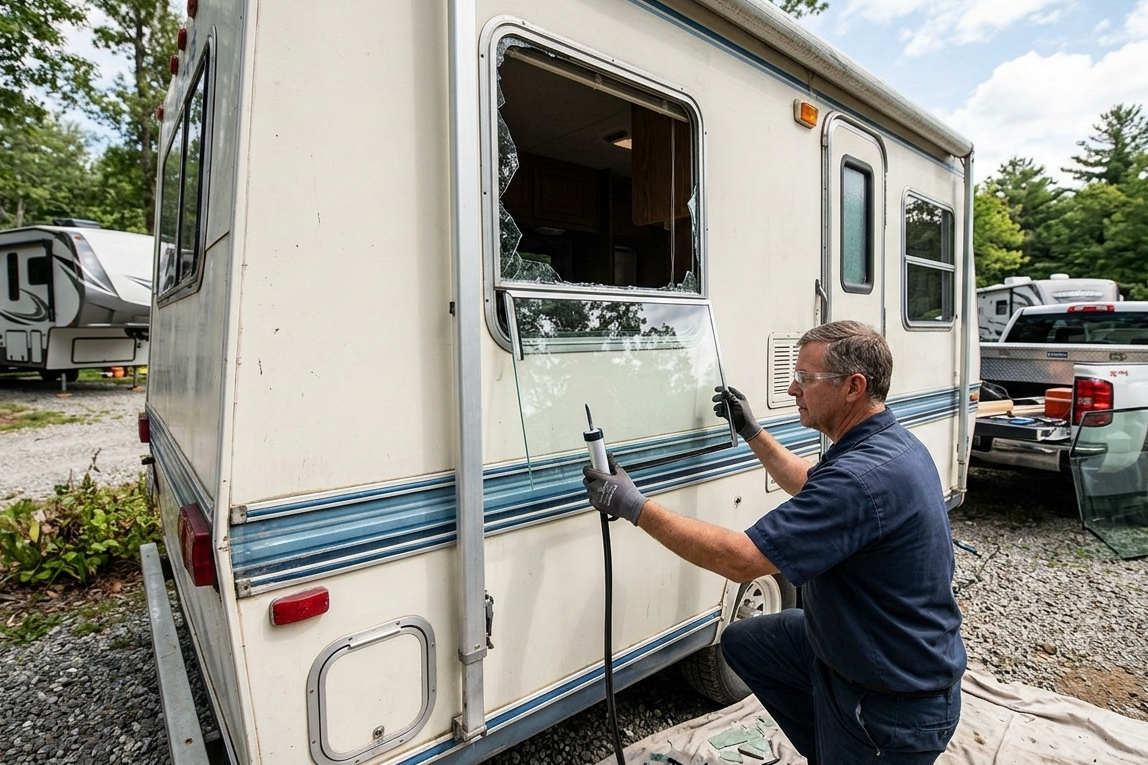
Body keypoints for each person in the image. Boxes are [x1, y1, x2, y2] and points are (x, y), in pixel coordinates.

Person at [583, 320, 965, 765]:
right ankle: (832, 744)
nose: (791, 389)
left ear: (853, 387)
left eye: (805, 378)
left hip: (892, 700)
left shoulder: (861, 478)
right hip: (866, 652)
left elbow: (741, 560)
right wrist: (753, 433)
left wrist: (634, 506)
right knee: (748, 643)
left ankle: (851, 743)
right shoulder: (883, 444)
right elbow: (810, 483)